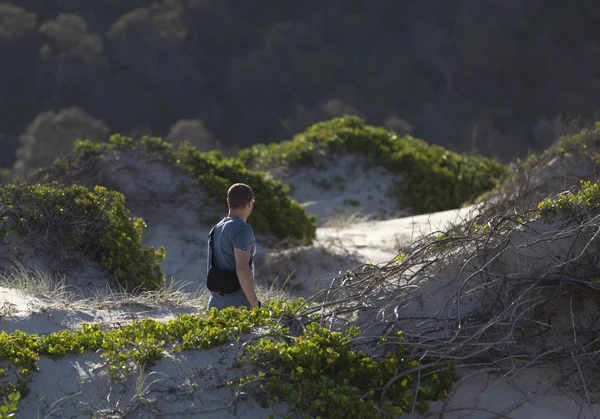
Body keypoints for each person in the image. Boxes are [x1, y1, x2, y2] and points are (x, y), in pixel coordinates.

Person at [206, 183, 261, 310]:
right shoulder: (242, 229)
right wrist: (254, 303)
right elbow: (241, 268)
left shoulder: (216, 228)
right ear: (250, 203)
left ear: (228, 201)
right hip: (237, 305)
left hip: (214, 304)